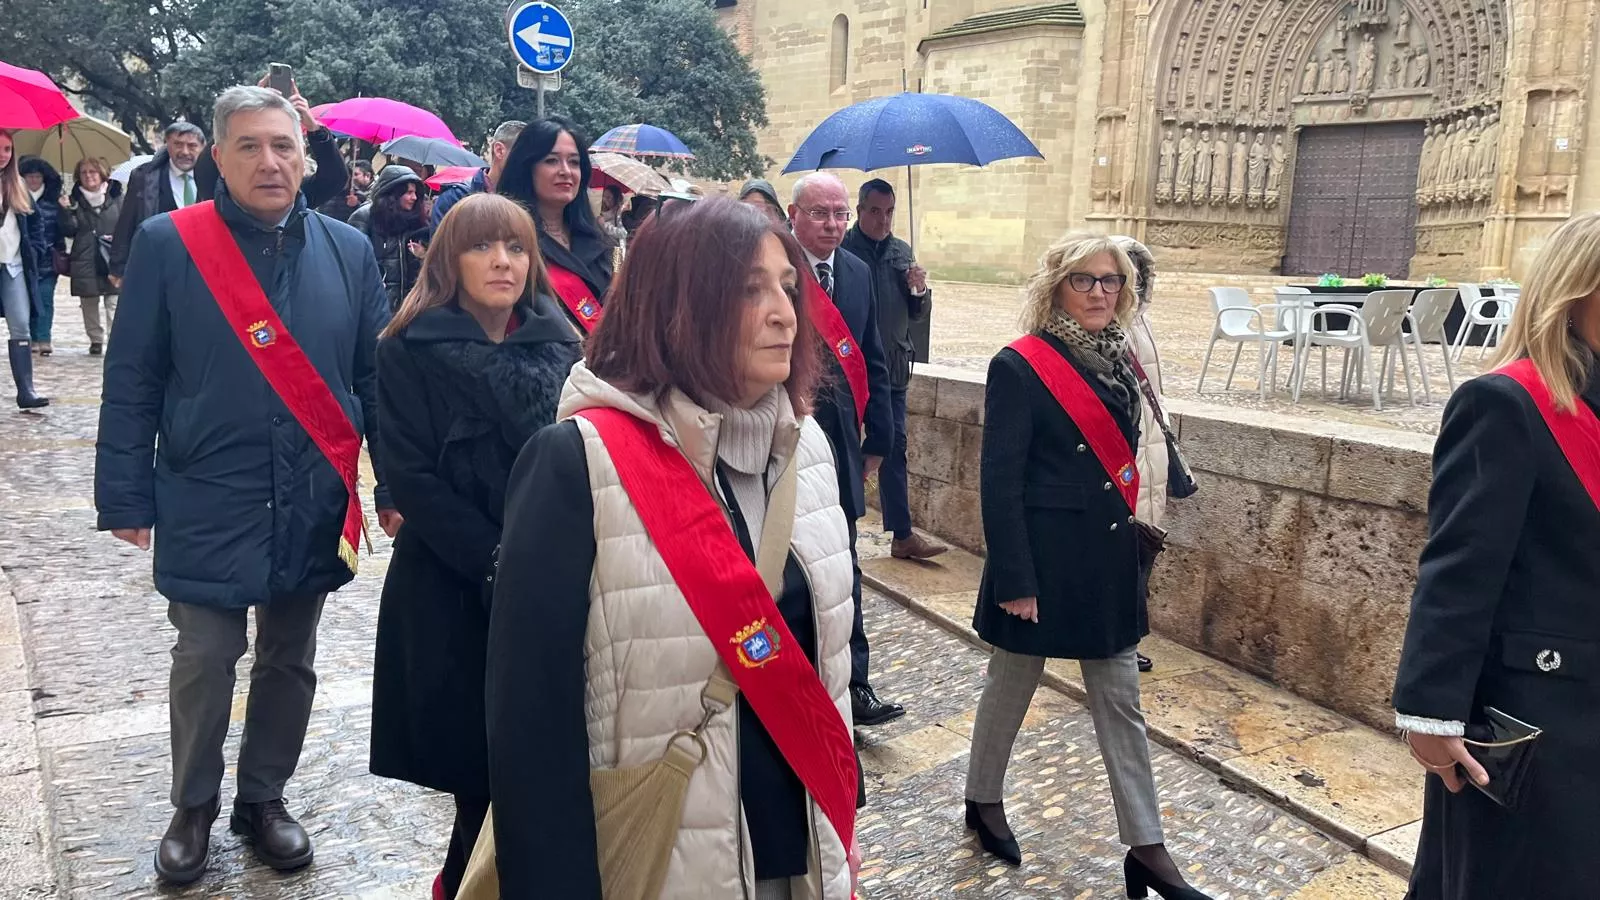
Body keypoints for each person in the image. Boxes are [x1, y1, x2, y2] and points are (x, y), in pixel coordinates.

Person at [486, 197, 859, 899]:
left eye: (788, 286)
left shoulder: (810, 446)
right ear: (680, 304)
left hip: (802, 853)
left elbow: (831, 661)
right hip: (661, 862)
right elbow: (529, 730)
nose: (785, 312)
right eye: (751, 289)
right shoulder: (575, 464)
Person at [93, 85, 392, 885]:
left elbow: (375, 376)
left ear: (306, 156)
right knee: (206, 652)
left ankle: (263, 798)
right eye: (251, 146)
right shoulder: (167, 242)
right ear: (217, 157)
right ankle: (192, 804)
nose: (270, 161)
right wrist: (123, 493)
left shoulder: (348, 250)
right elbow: (133, 376)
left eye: (284, 145)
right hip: (204, 487)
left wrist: (390, 484)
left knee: (290, 656)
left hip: (311, 491)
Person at [964, 233, 1211, 900]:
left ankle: (1148, 850)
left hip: (1103, 561)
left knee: (1122, 704)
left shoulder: (1122, 359)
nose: (1101, 292)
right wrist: (1014, 580)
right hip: (1041, 568)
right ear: (1056, 287)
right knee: (1009, 688)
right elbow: (999, 480)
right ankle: (982, 800)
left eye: (1112, 281)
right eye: (1085, 280)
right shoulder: (1019, 365)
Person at [369, 193, 581, 900]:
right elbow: (410, 475)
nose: (503, 262)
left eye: (517, 248)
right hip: (455, 582)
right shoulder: (406, 347)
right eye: (483, 247)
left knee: (542, 762)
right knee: (478, 774)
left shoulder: (565, 344)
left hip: (549, 579)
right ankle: (465, 885)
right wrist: (498, 558)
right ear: (449, 260)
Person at [1393, 212, 1600, 900]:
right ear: (1580, 289)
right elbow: (1459, 568)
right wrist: (1430, 713)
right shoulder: (1508, 403)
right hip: (1539, 721)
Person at [786, 172, 902, 727]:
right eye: (820, 214)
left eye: (839, 215)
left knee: (844, 563)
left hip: (842, 449)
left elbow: (872, 355)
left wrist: (879, 437)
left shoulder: (855, 272)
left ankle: (854, 683)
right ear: (794, 215)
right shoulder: (771, 269)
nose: (832, 225)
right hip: (783, 441)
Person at [841, 178, 945, 561]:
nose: (883, 220)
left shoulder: (902, 252)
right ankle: (843, 529)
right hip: (851, 370)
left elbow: (918, 315)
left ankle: (902, 535)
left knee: (893, 447)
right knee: (846, 446)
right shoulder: (843, 249)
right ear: (860, 208)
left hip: (894, 369)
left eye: (889, 213)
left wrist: (918, 291)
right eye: (875, 211)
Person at [497, 117, 612, 336]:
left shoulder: (601, 242)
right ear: (526, 168)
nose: (566, 171)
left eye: (574, 162)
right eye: (551, 160)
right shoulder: (504, 241)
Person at [1113, 235, 1165, 674]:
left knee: (1141, 551)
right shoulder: (1107, 326)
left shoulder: (1140, 323)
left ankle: (1127, 634)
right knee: (1125, 555)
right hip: (1127, 458)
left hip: (1150, 454)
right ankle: (1123, 636)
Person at [108, 121, 206, 285]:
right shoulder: (144, 177)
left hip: (202, 267)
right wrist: (118, 266)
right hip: (157, 264)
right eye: (178, 144)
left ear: (202, 148)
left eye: (192, 146)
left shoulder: (216, 178)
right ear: (167, 144)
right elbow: (127, 220)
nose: (185, 151)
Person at [0, 131, 48, 408]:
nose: (3, 154)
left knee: (21, 325)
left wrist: (37, 252)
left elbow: (37, 225)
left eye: (8, 149)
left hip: (14, 266)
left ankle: (26, 390)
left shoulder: (18, 186)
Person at [60, 158, 124, 355]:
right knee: (89, 301)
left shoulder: (117, 198)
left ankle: (116, 339)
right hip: (85, 256)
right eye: (84, 172)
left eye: (93, 172)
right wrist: (65, 211)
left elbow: (125, 224)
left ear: (102, 174)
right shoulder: (73, 201)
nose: (88, 176)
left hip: (111, 255)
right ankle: (95, 339)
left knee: (114, 301)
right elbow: (69, 230)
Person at [348, 165, 428, 310]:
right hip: (376, 307)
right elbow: (352, 263)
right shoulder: (364, 217)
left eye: (415, 193)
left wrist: (423, 255)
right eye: (409, 192)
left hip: (408, 309)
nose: (414, 198)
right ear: (394, 193)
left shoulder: (416, 222)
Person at [430, 120, 526, 229]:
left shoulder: (530, 200)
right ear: (499, 151)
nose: (531, 163)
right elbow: (441, 245)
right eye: (524, 155)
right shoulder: (455, 199)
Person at [19, 157, 65, 356]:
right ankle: (31, 338)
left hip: (47, 260)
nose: (33, 181)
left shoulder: (53, 203)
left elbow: (67, 230)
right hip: (23, 260)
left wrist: (66, 210)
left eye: (37, 176)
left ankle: (44, 337)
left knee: (45, 299)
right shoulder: (18, 201)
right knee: (26, 300)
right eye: (30, 177)